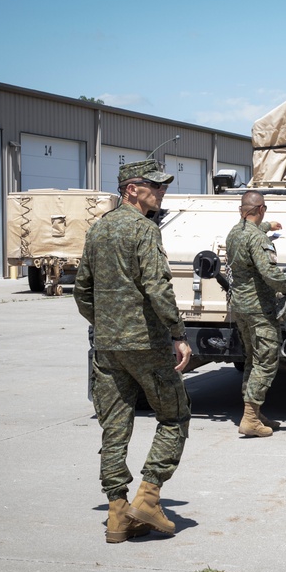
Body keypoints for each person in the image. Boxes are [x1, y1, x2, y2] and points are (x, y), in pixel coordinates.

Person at [73, 159, 191, 543]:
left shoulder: (98, 229)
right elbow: (158, 286)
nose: (161, 191)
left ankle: (117, 514)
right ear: (131, 190)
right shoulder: (144, 230)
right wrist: (177, 333)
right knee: (174, 416)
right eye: (154, 186)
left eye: (162, 186)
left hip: (108, 345)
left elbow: (82, 291)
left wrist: (106, 324)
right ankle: (149, 496)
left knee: (114, 426)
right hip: (146, 344)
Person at [225, 191, 286, 438]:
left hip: (241, 308)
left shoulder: (234, 233)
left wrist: (267, 225)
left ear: (241, 209)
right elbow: (269, 272)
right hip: (259, 308)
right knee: (266, 361)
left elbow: (251, 231)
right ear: (262, 209)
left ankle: (255, 413)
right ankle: (250, 418)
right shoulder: (257, 239)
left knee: (252, 360)